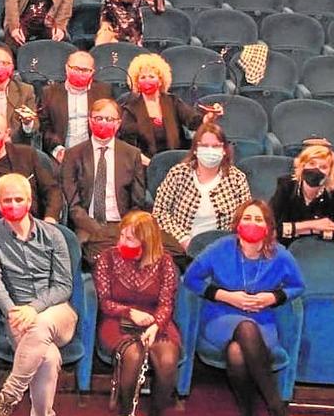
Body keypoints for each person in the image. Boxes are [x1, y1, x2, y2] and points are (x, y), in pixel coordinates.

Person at [182, 200, 305, 416]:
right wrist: (226, 296)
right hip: (222, 316)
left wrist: (272, 298)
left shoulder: (280, 254)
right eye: (247, 218)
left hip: (263, 319)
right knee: (245, 330)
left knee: (238, 354)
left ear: (269, 226)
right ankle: (276, 408)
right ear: (237, 224)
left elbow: (297, 285)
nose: (252, 223)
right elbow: (191, 279)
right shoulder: (221, 248)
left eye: (259, 219)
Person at [0, 173, 76, 416]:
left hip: (57, 314)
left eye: (18, 199)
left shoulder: (53, 234)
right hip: (18, 319)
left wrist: (33, 309)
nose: (12, 205)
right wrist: (12, 311)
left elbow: (64, 285)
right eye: (6, 200)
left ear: (30, 201)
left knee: (42, 324)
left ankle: (7, 398)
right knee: (47, 359)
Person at [92, 211, 181, 416]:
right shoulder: (107, 258)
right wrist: (129, 312)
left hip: (154, 320)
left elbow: (166, 303)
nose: (122, 242)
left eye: (130, 238)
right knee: (133, 355)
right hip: (119, 319)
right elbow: (105, 302)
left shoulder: (164, 262)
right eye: (121, 236)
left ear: (146, 240)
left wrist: (156, 325)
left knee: (168, 359)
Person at [60, 99, 148, 265]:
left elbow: (138, 201)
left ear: (118, 124)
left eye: (109, 119)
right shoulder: (73, 155)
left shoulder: (132, 154)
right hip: (87, 226)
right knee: (101, 260)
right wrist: (99, 230)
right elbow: (73, 205)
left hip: (122, 225)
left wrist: (124, 228)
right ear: (90, 120)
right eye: (99, 118)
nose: (103, 123)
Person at [152, 123, 252, 259]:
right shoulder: (179, 173)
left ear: (224, 150)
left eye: (216, 146)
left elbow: (245, 217)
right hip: (180, 247)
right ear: (195, 149)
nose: (210, 150)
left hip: (222, 248)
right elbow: (160, 212)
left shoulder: (237, 178)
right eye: (204, 146)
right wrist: (182, 239)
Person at [119, 53, 221, 161]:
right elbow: (129, 148)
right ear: (137, 82)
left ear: (160, 80)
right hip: (146, 165)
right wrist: (151, 165)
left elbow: (194, 122)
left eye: (151, 77)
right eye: (142, 77)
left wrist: (211, 116)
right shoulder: (131, 109)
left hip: (177, 162)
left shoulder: (173, 101)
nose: (147, 80)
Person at [269, 142, 334, 247]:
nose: (316, 170)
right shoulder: (286, 185)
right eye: (312, 164)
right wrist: (313, 225)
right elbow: (269, 229)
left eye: (323, 167)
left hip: (320, 250)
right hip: (287, 249)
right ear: (302, 165)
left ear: (330, 172)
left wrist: (321, 232)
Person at [38, 50, 112, 163]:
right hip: (59, 153)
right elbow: (44, 127)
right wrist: (57, 150)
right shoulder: (50, 93)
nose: (81, 73)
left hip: (95, 153)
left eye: (86, 70)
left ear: (93, 72)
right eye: (76, 69)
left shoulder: (104, 91)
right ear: (67, 68)